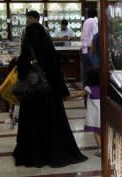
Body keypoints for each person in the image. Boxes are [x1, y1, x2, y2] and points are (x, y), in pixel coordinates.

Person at [13, 10, 88, 168]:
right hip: (49, 96)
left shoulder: (26, 53)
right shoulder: (49, 52)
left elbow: (21, 74)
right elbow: (56, 75)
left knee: (32, 126)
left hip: (31, 97)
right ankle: (51, 151)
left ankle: (33, 153)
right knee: (52, 125)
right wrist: (62, 93)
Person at [67, 66, 101, 157]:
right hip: (104, 114)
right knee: (104, 132)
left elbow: (78, 95)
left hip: (96, 115)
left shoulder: (89, 88)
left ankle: (101, 150)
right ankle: (106, 149)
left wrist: (66, 97)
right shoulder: (104, 87)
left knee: (97, 132)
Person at [80, 8, 98, 85]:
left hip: (90, 49)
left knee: (89, 71)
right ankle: (89, 90)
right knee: (90, 72)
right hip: (90, 49)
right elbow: (85, 36)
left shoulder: (91, 21)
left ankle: (89, 90)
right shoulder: (93, 21)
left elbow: (84, 36)